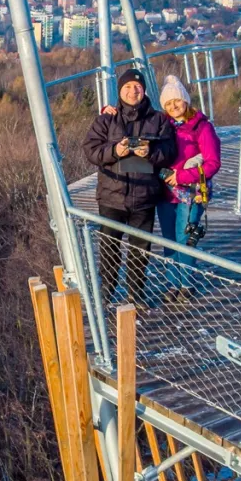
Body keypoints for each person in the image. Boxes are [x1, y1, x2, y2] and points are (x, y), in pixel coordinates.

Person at [83, 68, 177, 304]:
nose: (133, 91)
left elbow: (170, 151)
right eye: (127, 87)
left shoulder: (158, 120)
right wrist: (115, 151)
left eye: (137, 87)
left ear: (144, 90)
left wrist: (151, 152)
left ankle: (136, 293)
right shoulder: (107, 119)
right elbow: (91, 150)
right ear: (120, 90)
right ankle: (107, 291)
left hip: (144, 196)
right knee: (110, 248)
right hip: (111, 196)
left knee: (140, 250)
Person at [154, 74, 221, 298]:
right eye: (168, 104)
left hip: (191, 193)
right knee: (169, 240)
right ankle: (173, 284)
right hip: (166, 193)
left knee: (185, 238)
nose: (173, 106)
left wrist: (182, 176)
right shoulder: (165, 126)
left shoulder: (202, 127)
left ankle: (187, 285)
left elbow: (212, 163)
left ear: (185, 100)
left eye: (177, 101)